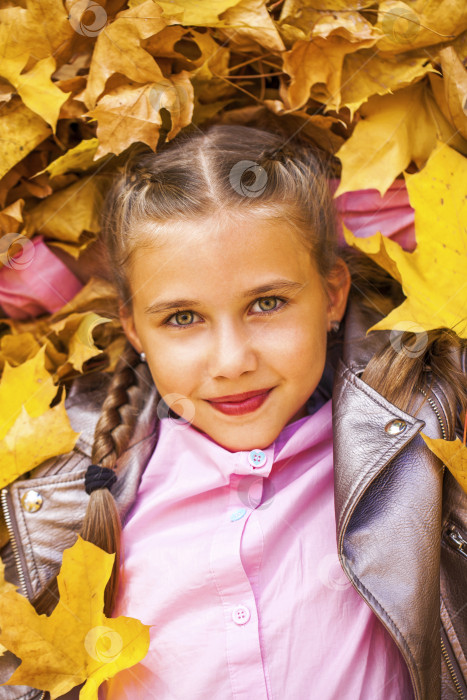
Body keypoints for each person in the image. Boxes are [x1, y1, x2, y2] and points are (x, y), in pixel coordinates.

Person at [0, 125, 466, 700]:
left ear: (333, 293)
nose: (232, 361)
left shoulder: (422, 430)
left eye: (267, 303)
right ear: (132, 327)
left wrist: (340, 196)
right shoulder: (67, 490)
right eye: (181, 318)